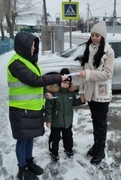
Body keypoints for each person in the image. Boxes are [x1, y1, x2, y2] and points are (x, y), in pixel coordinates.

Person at [7, 32, 68, 180]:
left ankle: (29, 161)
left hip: (32, 108)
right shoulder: (16, 63)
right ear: (23, 46)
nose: (33, 48)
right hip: (21, 109)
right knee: (22, 140)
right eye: (31, 46)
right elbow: (35, 80)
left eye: (35, 46)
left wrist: (43, 94)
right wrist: (58, 77)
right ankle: (22, 169)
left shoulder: (28, 61)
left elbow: (30, 86)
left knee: (30, 138)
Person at [78, 21, 115, 166]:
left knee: (101, 122)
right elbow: (82, 74)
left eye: (97, 35)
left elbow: (107, 74)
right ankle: (96, 144)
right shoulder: (87, 49)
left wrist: (87, 74)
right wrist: (82, 91)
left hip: (102, 93)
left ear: (102, 36)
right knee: (94, 120)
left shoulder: (109, 52)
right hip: (90, 93)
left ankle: (101, 149)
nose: (94, 38)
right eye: (92, 35)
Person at [45, 68, 85, 161]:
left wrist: (81, 101)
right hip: (56, 121)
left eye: (68, 83)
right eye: (64, 83)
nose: (66, 85)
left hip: (67, 121)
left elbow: (74, 102)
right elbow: (48, 108)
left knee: (68, 136)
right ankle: (53, 151)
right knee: (55, 138)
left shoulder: (70, 93)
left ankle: (68, 149)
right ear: (59, 81)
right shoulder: (53, 93)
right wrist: (48, 120)